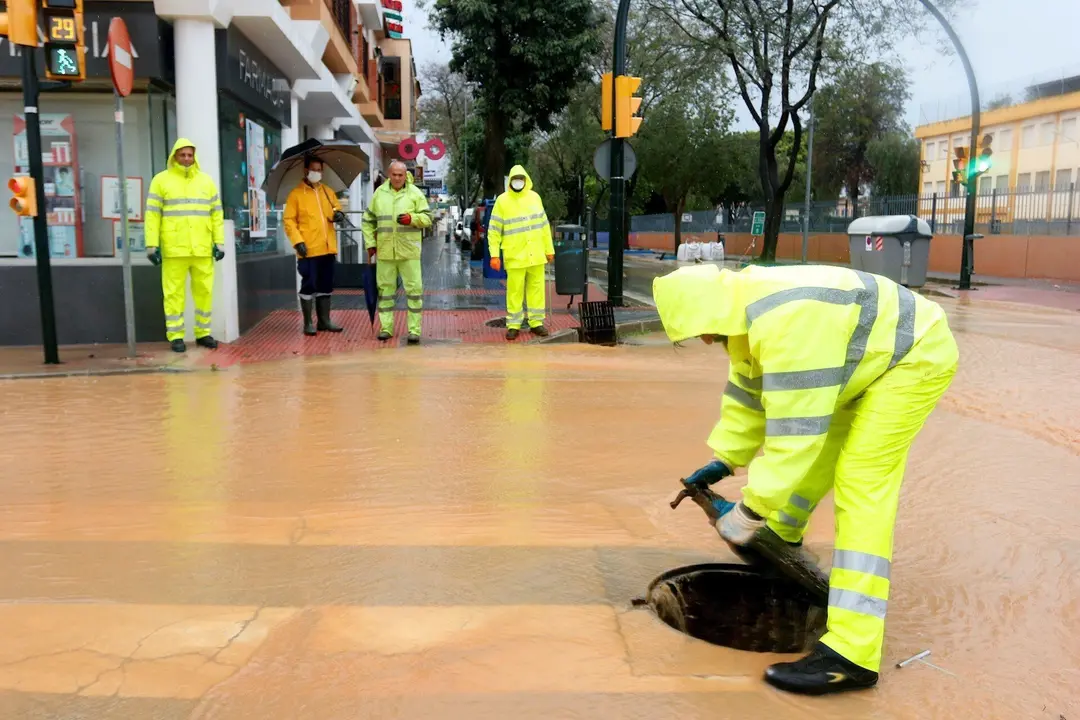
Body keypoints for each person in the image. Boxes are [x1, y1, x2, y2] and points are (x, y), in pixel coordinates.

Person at [652, 263, 959, 696]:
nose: (704, 341)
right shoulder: (745, 316)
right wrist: (725, 459)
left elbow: (794, 437)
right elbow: (749, 396)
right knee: (822, 453)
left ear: (713, 313)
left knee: (861, 478)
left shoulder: (786, 323)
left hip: (912, 358)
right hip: (864, 362)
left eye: (703, 331)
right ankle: (784, 532)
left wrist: (749, 511)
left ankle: (853, 654)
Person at [144, 138, 225, 353]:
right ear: (175, 156)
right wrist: (151, 245)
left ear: (194, 157)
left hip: (202, 247)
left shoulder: (206, 182)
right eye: (183, 155)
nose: (187, 158)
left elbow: (217, 214)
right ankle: (176, 336)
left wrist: (220, 242)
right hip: (174, 248)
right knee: (173, 294)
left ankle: (203, 333)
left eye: (190, 155)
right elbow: (152, 216)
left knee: (205, 292)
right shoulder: (161, 181)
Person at [361, 160, 433, 345]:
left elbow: (428, 218)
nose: (398, 178)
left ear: (405, 175)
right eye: (394, 174)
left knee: (414, 292)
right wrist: (370, 243)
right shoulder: (379, 194)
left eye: (401, 175)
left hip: (409, 252)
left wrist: (413, 219)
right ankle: (386, 328)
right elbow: (368, 220)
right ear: (389, 174)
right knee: (385, 292)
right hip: (385, 251)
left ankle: (414, 330)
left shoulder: (415, 193)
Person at [488, 165, 554, 340]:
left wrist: (549, 249)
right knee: (514, 292)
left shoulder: (535, 198)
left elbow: (544, 226)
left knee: (536, 289)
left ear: (526, 179)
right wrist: (494, 255)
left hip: (536, 254)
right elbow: (494, 230)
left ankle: (536, 323)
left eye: (521, 178)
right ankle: (514, 324)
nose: (518, 181)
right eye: (515, 178)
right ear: (510, 180)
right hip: (515, 255)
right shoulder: (502, 201)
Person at [284, 154, 346, 336]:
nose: (317, 173)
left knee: (326, 285)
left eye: (319, 170)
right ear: (305, 171)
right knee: (309, 285)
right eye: (314, 170)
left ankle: (324, 321)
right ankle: (308, 322)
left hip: (327, 248)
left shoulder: (328, 191)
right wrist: (298, 241)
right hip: (308, 249)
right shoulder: (296, 195)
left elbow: (337, 210)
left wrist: (340, 215)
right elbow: (289, 221)